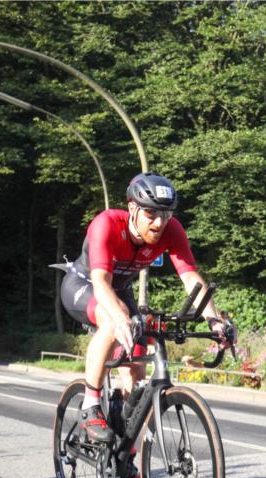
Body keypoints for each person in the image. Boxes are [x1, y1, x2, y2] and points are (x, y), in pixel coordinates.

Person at [59, 173, 236, 446]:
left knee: (136, 373)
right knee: (113, 318)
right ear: (132, 208)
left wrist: (214, 320)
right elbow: (101, 283)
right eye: (151, 214)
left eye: (165, 214)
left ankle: (123, 456)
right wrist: (120, 319)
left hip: (121, 290)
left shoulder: (172, 230)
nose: (159, 223)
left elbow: (190, 277)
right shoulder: (107, 224)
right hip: (85, 284)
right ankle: (90, 405)